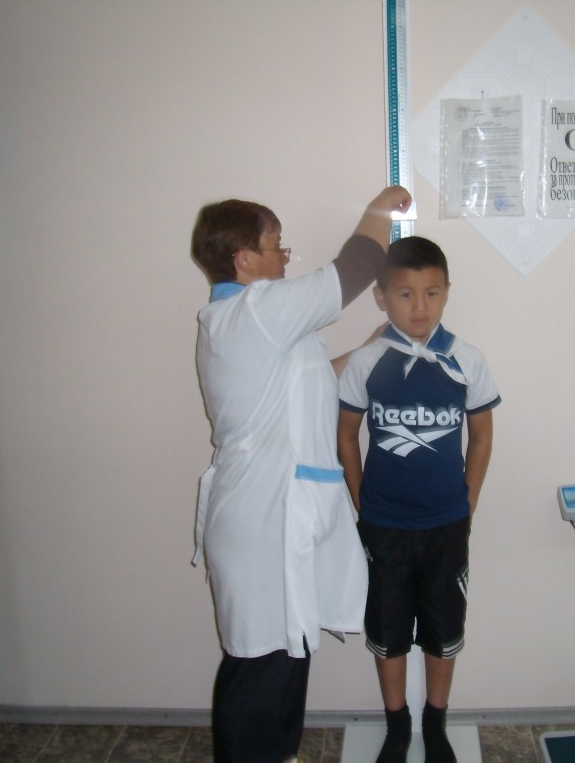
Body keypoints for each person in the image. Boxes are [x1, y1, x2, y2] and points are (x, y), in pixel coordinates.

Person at [190, 185, 413, 763]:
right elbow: (358, 265)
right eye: (276, 245)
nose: (285, 257)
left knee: (289, 652)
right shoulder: (255, 311)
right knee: (259, 666)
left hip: (281, 515)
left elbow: (314, 381)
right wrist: (383, 205)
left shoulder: (255, 324)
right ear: (244, 259)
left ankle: (280, 755)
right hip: (261, 516)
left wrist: (374, 346)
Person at [336, 236, 500, 763]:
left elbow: (481, 437)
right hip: (384, 525)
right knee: (388, 631)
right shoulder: (366, 361)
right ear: (382, 297)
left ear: (447, 293)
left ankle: (435, 721)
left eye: (432, 293)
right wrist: (363, 503)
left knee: (442, 629)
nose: (420, 306)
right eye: (405, 294)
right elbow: (346, 437)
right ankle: (397, 725)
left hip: (446, 525)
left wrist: (467, 503)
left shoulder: (467, 360)